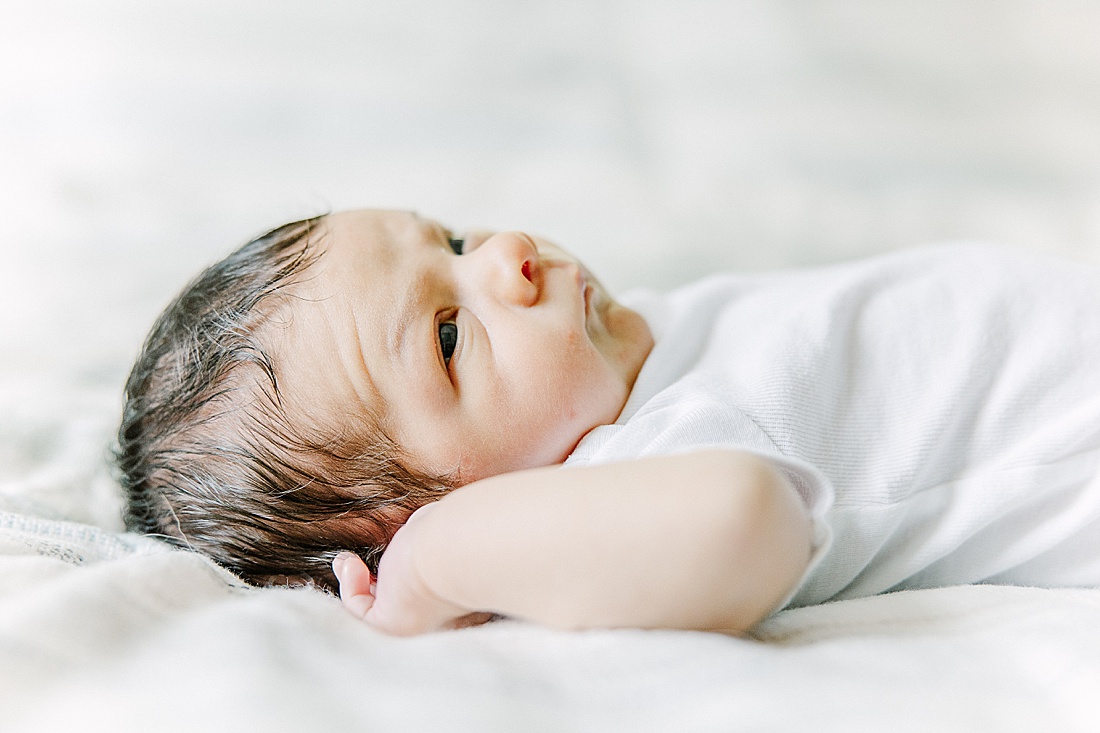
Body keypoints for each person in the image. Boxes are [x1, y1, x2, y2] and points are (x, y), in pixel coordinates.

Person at [117, 208, 1100, 637]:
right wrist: (443, 562)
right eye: (452, 336)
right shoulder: (629, 462)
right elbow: (741, 520)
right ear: (433, 518)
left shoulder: (635, 353)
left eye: (452, 239)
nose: (506, 253)